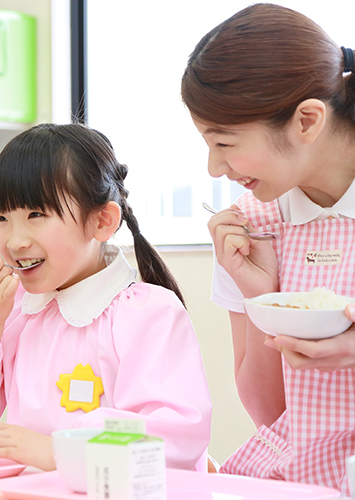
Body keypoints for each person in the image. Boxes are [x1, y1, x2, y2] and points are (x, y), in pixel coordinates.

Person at [0, 123, 212, 472]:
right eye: (1, 218)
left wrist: (60, 450)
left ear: (102, 221)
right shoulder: (15, 312)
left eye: (36, 215)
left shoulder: (147, 313)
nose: (14, 241)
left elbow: (175, 437)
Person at [181, 3, 355, 494]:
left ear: (306, 121)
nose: (215, 168)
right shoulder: (250, 224)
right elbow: (270, 414)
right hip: (294, 480)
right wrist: (262, 295)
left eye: (225, 143)